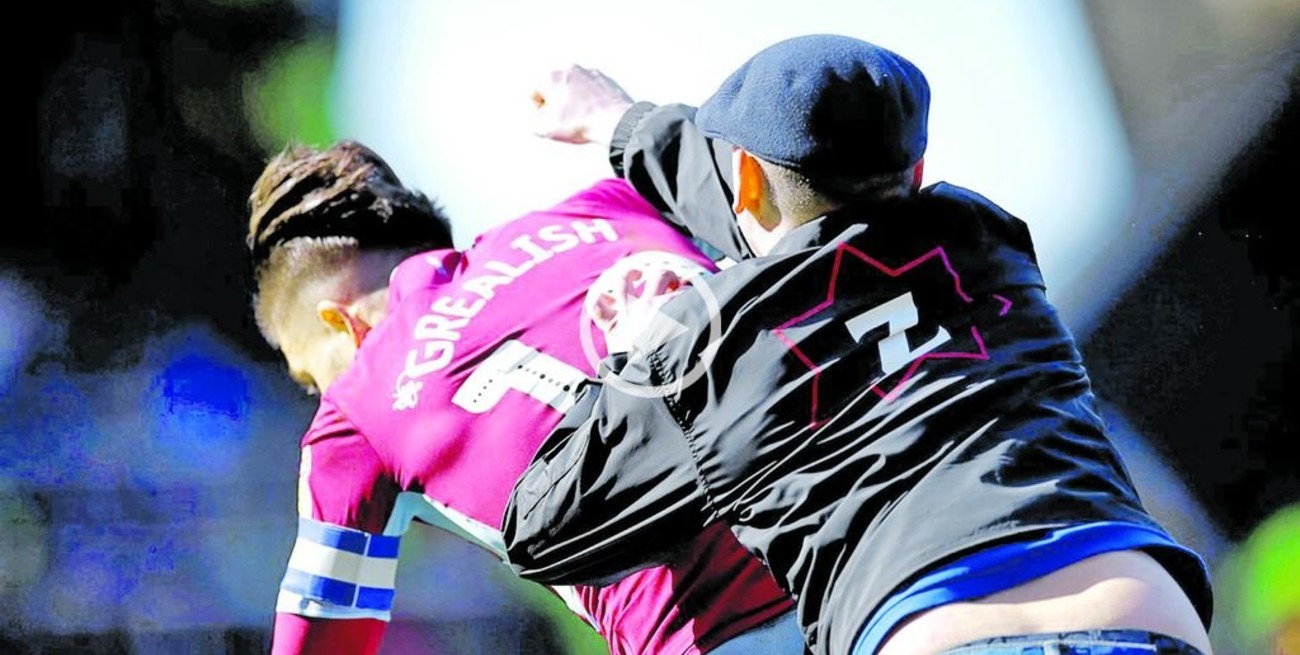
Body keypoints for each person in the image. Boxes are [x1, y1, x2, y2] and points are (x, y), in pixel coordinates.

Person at [502, 34, 1216, 655]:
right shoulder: (983, 239)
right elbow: (793, 208)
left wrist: (635, 354)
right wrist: (619, 124)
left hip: (929, 629)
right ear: (916, 168)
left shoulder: (706, 345)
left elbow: (542, 529)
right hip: (1146, 602)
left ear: (745, 177)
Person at [246, 140, 802, 654]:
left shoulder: (355, 409)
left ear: (342, 326)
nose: (322, 396)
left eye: (312, 378)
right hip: (863, 556)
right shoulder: (609, 204)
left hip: (725, 634)